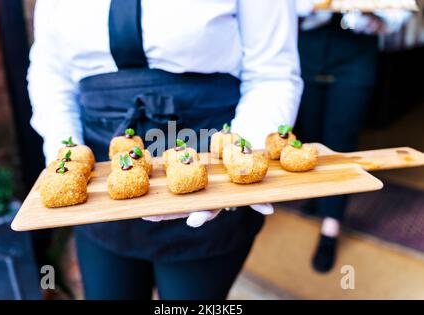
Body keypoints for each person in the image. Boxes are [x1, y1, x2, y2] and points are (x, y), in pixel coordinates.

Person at [27, 0, 302, 299]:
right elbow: (50, 74)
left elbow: (273, 73)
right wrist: (63, 156)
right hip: (100, 185)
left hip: (212, 172)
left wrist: (239, 165)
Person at [295, 0, 411, 273]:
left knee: (341, 142)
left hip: (355, 60)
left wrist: (372, 16)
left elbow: (399, 13)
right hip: (308, 54)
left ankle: (330, 226)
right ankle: (318, 194)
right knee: (310, 137)